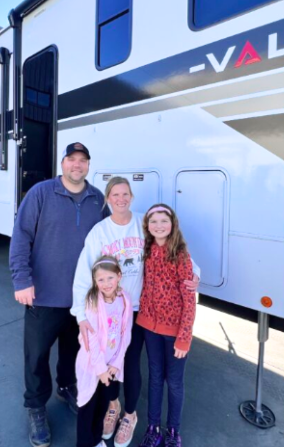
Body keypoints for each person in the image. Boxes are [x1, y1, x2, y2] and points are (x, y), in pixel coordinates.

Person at [71, 177, 199, 447]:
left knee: (129, 365)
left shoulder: (145, 225)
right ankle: (113, 407)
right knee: (108, 363)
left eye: (125, 194)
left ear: (131, 196)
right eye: (115, 195)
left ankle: (130, 416)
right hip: (109, 313)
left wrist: (194, 276)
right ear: (107, 199)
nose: (120, 199)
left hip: (139, 311)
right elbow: (84, 273)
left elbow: (176, 250)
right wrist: (81, 314)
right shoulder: (100, 232)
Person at [9, 142, 109, 447]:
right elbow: (21, 235)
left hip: (82, 300)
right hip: (43, 296)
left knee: (74, 353)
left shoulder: (97, 199)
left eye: (82, 161)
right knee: (37, 356)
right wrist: (21, 279)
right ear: (62, 163)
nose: (76, 165)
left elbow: (110, 240)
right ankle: (36, 407)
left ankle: (66, 387)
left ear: (88, 166)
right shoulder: (41, 193)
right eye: (71, 160)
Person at [137, 204, 196, 447]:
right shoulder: (146, 250)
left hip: (174, 333)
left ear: (173, 224)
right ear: (147, 226)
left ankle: (173, 431)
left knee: (174, 382)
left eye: (164, 220)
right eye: (154, 221)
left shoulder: (181, 255)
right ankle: (153, 428)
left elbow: (189, 300)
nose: (159, 225)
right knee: (154, 377)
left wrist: (184, 337)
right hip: (150, 328)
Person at [76, 255, 133, 447]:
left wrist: (116, 363)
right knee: (87, 407)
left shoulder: (124, 299)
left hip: (110, 367)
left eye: (110, 278)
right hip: (93, 366)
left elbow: (126, 333)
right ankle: (84, 443)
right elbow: (90, 338)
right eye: (101, 280)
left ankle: (96, 440)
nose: (106, 283)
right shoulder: (93, 301)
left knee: (102, 405)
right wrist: (100, 369)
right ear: (95, 281)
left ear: (119, 276)